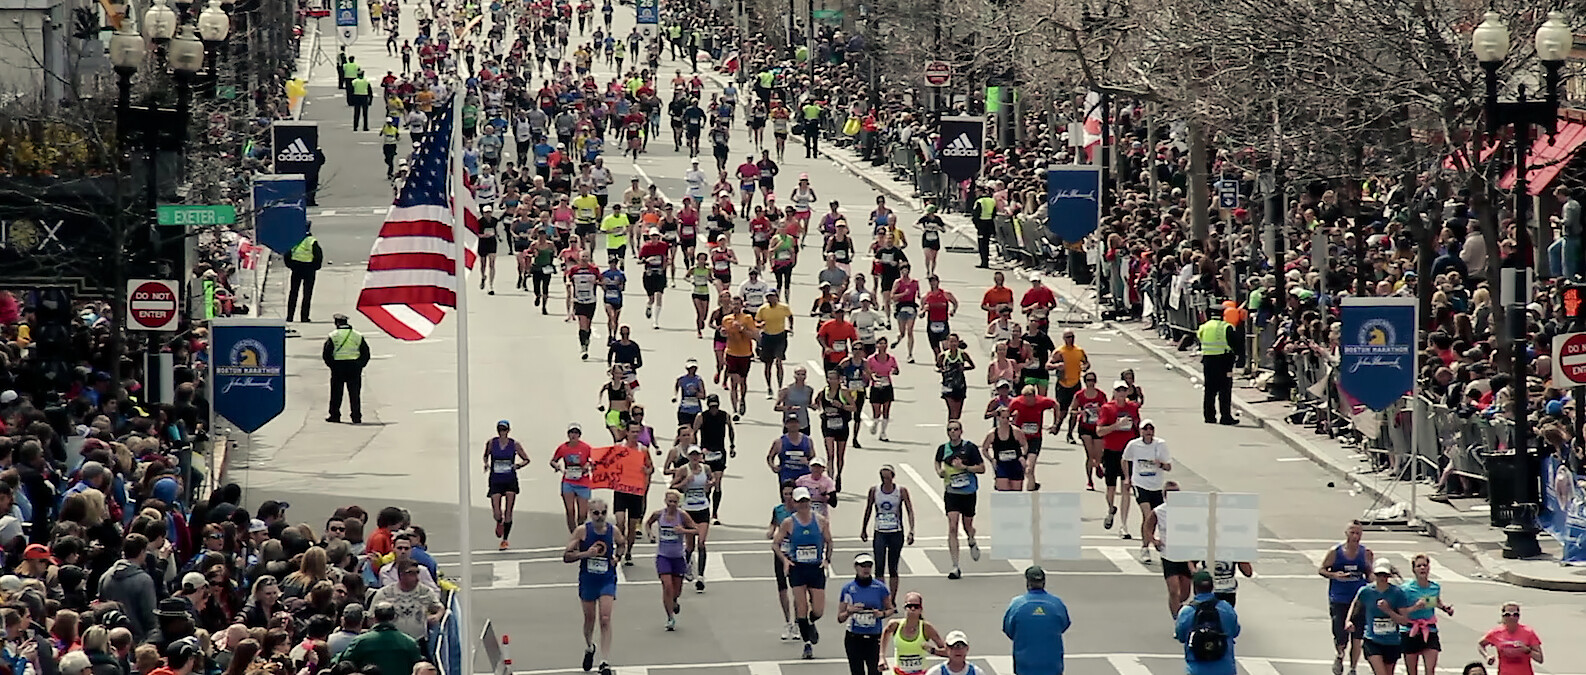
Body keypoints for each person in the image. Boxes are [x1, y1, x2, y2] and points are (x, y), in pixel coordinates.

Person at [564, 498, 624, 675]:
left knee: (605, 618)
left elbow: (622, 544)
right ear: (590, 514)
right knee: (589, 620)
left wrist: (617, 558)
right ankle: (589, 647)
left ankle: (605, 661)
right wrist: (585, 554)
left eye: (603, 513)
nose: (600, 516)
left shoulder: (613, 530)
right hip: (588, 579)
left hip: (606, 578)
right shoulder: (582, 531)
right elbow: (566, 556)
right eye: (596, 513)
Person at [773, 486, 833, 660]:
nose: (803, 505)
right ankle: (807, 644)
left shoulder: (821, 521)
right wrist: (785, 560)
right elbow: (775, 544)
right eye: (800, 502)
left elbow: (829, 541)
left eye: (806, 501)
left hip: (815, 568)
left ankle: (812, 622)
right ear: (795, 503)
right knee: (801, 607)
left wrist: (827, 559)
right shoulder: (788, 523)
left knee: (819, 609)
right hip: (798, 568)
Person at [1322, 521, 1375, 675]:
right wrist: (1334, 575)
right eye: (1352, 533)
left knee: (1357, 637)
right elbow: (1322, 569)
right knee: (1340, 634)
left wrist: (1375, 581)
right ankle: (1340, 655)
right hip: (1339, 598)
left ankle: (1353, 668)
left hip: (1359, 599)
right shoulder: (1335, 552)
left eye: (1358, 533)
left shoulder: (1366, 553)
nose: (1355, 536)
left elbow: (1369, 572)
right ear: (1346, 533)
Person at [935, 421, 984, 580]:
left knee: (967, 525)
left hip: (968, 491)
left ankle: (971, 539)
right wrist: (939, 471)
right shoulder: (943, 448)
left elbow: (982, 468)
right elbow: (937, 462)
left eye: (956, 429)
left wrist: (965, 467)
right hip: (952, 492)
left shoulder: (970, 448)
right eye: (950, 430)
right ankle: (955, 566)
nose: (953, 432)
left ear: (961, 431)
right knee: (952, 526)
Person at [643, 489, 698, 631]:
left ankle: (674, 600)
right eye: (670, 501)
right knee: (667, 586)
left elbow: (697, 530)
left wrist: (684, 531)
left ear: (678, 503)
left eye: (675, 502)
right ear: (665, 501)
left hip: (678, 557)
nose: (672, 504)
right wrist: (650, 534)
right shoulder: (659, 514)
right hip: (663, 556)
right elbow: (648, 523)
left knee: (676, 590)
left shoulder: (683, 516)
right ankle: (670, 618)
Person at [1347, 559, 1413, 675]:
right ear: (1374, 574)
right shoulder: (1366, 591)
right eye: (1379, 575)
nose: (1382, 578)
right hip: (1372, 640)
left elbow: (1404, 621)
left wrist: (1388, 611)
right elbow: (1355, 603)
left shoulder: (1397, 593)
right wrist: (1349, 621)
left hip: (1392, 641)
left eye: (1385, 575)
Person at [1002, 566, 1070, 675]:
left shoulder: (1017, 604)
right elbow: (1064, 624)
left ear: (1028, 582)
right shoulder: (1057, 604)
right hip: (1052, 664)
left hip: (1025, 665)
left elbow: (1008, 629)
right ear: (1044, 582)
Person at [860, 464, 915, 597]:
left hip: (896, 532)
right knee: (879, 566)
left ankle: (892, 598)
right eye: (883, 477)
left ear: (892, 477)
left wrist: (911, 530)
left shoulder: (901, 491)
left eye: (887, 477)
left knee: (893, 567)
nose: (885, 480)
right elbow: (868, 509)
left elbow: (909, 511)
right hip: (880, 532)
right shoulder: (874, 490)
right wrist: (864, 529)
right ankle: (882, 596)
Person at [838, 552, 895, 675]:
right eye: (863, 566)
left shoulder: (880, 588)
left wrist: (881, 614)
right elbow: (840, 617)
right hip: (854, 637)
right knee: (857, 672)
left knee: (875, 672)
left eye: (869, 566)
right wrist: (849, 611)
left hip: (874, 638)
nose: (866, 569)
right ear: (856, 567)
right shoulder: (848, 588)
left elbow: (891, 609)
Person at [1174, 571, 1241, 675]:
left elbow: (1181, 636)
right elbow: (1235, 631)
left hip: (1197, 669)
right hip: (1225, 668)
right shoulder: (1226, 608)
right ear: (1212, 587)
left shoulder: (1187, 611)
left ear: (1195, 588)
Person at [1121, 419, 1171, 555]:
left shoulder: (1160, 445)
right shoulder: (1134, 444)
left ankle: (1153, 542)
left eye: (1151, 429)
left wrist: (1159, 463)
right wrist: (1127, 477)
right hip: (1140, 484)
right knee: (1147, 515)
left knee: (1154, 519)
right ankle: (1145, 547)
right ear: (1141, 431)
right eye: (1145, 429)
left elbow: (1168, 467)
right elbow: (1125, 459)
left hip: (1156, 486)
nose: (1148, 432)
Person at [332, 602, 423, 675]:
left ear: (374, 618)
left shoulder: (361, 641)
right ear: (394, 618)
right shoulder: (409, 642)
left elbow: (342, 661)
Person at [1401, 554, 1454, 675]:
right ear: (1414, 569)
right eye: (1419, 566)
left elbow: (1436, 602)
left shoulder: (1435, 587)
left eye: (1425, 565)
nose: (1422, 568)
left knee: (1430, 671)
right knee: (1412, 671)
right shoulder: (1406, 589)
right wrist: (1415, 607)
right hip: (1410, 630)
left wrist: (1446, 608)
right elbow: (1401, 612)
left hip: (1429, 629)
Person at [484, 420, 532, 550]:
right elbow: (485, 456)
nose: (502, 432)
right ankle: (499, 521)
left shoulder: (514, 444)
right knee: (497, 512)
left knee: (509, 510)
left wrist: (518, 466)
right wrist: (486, 464)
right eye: (500, 429)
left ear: (508, 430)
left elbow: (526, 459)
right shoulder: (491, 443)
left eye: (504, 429)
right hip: (495, 479)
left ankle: (505, 540)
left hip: (510, 479)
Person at [880, 592, 946, 675]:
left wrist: (932, 650)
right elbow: (885, 633)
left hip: (920, 673)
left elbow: (947, 651)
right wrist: (882, 657)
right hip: (899, 673)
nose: (913, 609)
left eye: (916, 606)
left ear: (921, 609)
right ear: (905, 607)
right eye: (909, 606)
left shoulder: (926, 628)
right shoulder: (895, 625)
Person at [323, 314, 371, 424]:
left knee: (336, 393)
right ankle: (356, 416)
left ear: (337, 323)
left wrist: (332, 366)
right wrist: (360, 365)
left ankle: (335, 415)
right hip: (354, 366)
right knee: (354, 393)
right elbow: (365, 352)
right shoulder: (357, 335)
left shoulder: (333, 335)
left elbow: (327, 353)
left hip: (338, 367)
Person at [552, 423, 596, 533]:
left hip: (583, 482)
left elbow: (595, 460)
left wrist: (588, 464)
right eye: (571, 432)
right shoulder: (563, 448)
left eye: (576, 433)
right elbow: (553, 460)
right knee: (570, 510)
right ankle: (574, 534)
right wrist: (557, 466)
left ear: (579, 435)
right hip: (568, 481)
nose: (573, 435)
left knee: (582, 513)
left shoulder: (586, 447)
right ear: (568, 434)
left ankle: (580, 528)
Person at [1196, 311, 1239, 425]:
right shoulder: (1226, 327)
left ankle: (1209, 416)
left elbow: (1200, 339)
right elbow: (1234, 343)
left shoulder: (1204, 327)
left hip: (1208, 361)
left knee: (1209, 390)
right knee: (1225, 390)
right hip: (1224, 361)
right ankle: (1225, 417)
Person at [1477, 602, 1543, 675]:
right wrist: (1487, 656)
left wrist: (1527, 650)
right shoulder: (1496, 633)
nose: (1512, 618)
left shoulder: (1528, 632)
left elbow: (1540, 659)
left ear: (1519, 616)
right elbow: (1480, 644)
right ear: (1503, 616)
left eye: (1515, 615)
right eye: (1508, 615)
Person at [286, 226, 324, 323]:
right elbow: (318, 255)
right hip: (309, 269)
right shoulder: (311, 241)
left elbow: (287, 253)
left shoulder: (293, 240)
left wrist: (291, 265)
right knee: (307, 294)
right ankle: (304, 317)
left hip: (296, 268)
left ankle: (290, 317)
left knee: (293, 293)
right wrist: (315, 267)